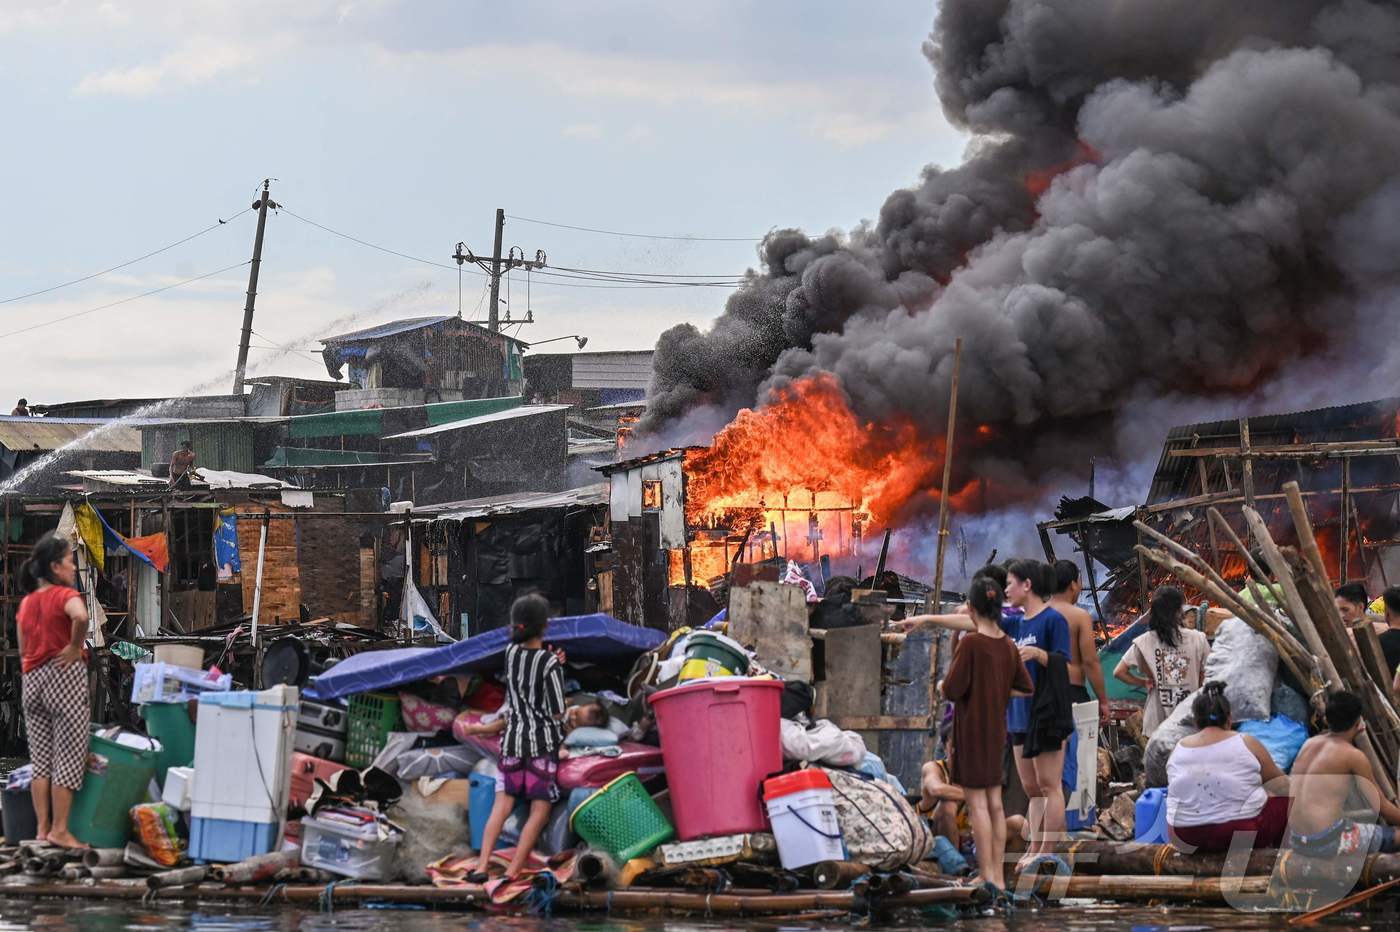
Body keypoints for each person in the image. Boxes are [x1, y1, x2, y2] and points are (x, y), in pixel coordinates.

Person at [898, 559, 1072, 871]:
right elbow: (973, 623)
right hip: (1018, 716)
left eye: (1011, 584)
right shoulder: (1016, 623)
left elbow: (1066, 663)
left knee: (1049, 785)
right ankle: (1033, 848)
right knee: (1032, 788)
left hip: (1045, 713)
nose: (1007, 590)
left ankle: (1046, 849)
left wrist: (1039, 655)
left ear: (1027, 585)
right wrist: (925, 619)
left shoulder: (1052, 620)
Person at [931, 575, 1033, 895]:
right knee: (995, 806)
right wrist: (996, 691)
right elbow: (1024, 687)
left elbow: (952, 688)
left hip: (971, 734)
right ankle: (998, 878)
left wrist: (940, 687)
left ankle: (987, 875)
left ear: (972, 609)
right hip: (996, 734)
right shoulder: (1007, 644)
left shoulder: (971, 643)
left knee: (978, 807)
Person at [469, 594, 567, 883]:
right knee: (540, 810)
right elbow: (558, 711)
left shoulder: (510, 654)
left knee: (502, 806)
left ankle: (481, 867)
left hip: (511, 743)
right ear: (545, 626)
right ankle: (512, 872)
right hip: (541, 746)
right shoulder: (548, 663)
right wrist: (556, 666)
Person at [16, 533, 90, 849]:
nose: (74, 567)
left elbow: (22, 649)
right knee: (69, 756)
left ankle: (42, 830)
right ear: (55, 566)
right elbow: (82, 617)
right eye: (71, 561)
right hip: (63, 676)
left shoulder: (27, 602)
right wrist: (74, 646)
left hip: (32, 681)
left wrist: (34, 665)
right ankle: (61, 829)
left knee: (41, 760)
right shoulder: (63, 595)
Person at [1166, 682, 1289, 852]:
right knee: (1284, 800)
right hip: (1241, 833)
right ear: (1229, 719)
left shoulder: (1178, 749)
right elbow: (1282, 785)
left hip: (1185, 837)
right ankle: (1280, 859)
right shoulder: (1246, 742)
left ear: (1195, 722)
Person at [1287, 690, 1400, 857]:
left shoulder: (1309, 744)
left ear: (1327, 719)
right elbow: (1381, 806)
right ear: (1358, 722)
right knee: (1396, 836)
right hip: (1323, 841)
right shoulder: (1353, 756)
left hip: (1296, 838)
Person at [1113, 586, 1210, 737]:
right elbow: (1205, 676)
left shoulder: (1144, 641)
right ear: (1179, 611)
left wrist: (1143, 682)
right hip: (1190, 718)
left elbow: (1119, 672)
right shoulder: (1198, 638)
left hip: (1157, 722)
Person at [1050, 560, 1109, 727]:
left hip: (1042, 695)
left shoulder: (1038, 613)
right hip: (1071, 693)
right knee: (1080, 750)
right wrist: (1102, 700)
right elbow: (1090, 662)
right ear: (1073, 585)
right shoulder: (1079, 616)